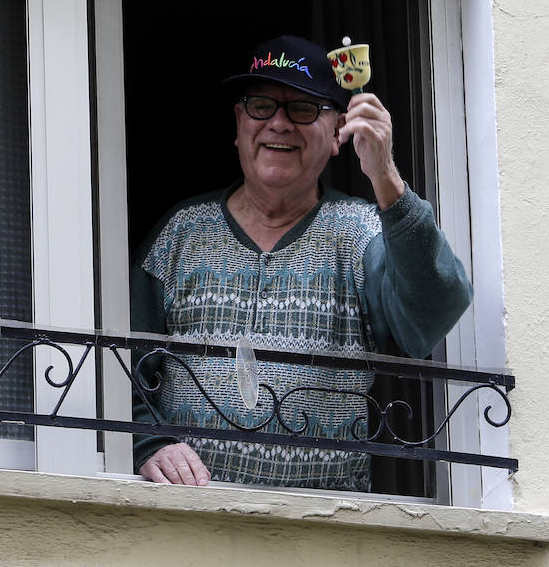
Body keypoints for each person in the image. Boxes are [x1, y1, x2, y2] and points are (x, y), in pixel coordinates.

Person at [129, 35, 473, 491]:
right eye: (260, 106)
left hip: (325, 527)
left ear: (337, 134)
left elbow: (431, 314)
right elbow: (120, 368)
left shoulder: (360, 232)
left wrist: (384, 175)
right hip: (188, 517)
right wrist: (150, 444)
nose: (279, 123)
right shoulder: (181, 232)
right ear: (239, 123)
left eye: (303, 109)